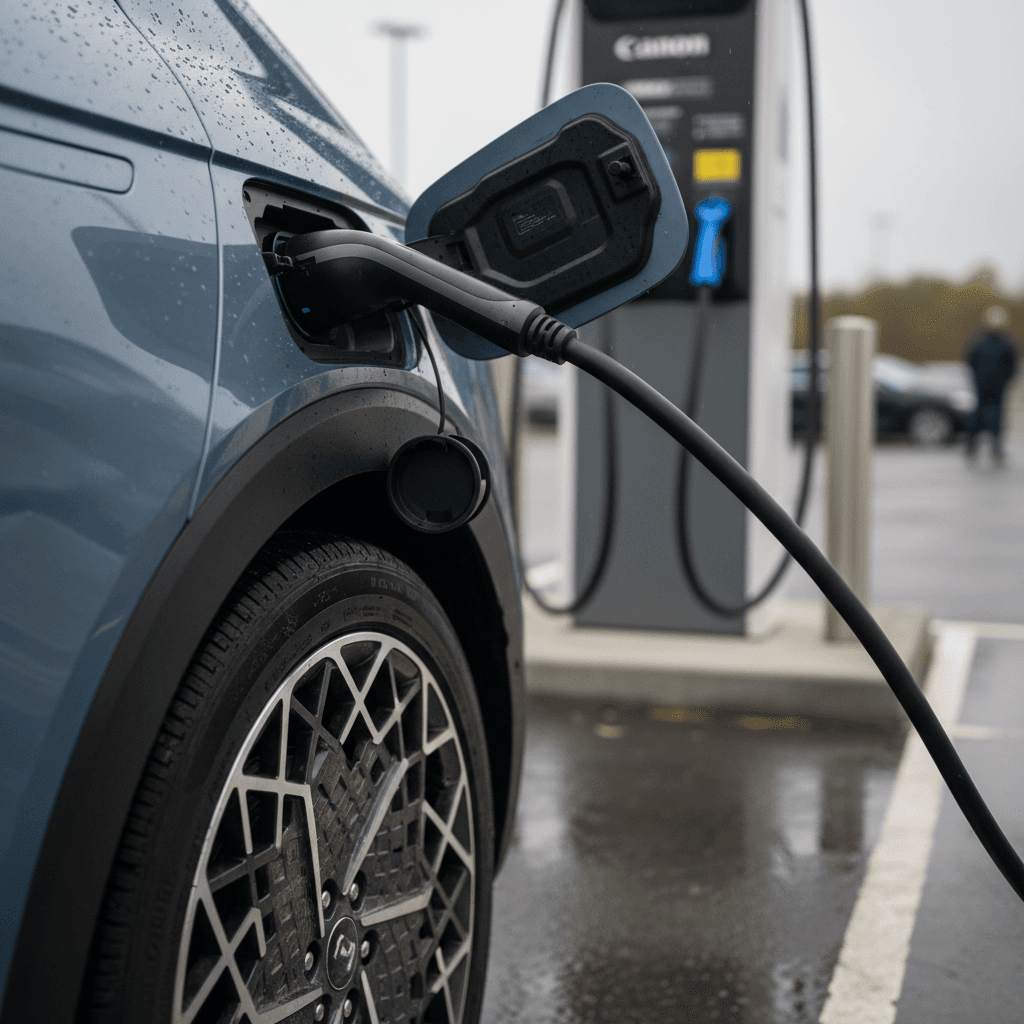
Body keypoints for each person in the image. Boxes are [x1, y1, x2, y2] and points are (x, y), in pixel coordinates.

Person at [963, 305, 1018, 463]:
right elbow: (971, 362)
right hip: (986, 387)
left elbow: (1012, 367)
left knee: (990, 416)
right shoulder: (985, 342)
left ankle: (992, 448)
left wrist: (1004, 381)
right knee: (983, 416)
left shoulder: (1001, 343)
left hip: (993, 387)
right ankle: (977, 447)